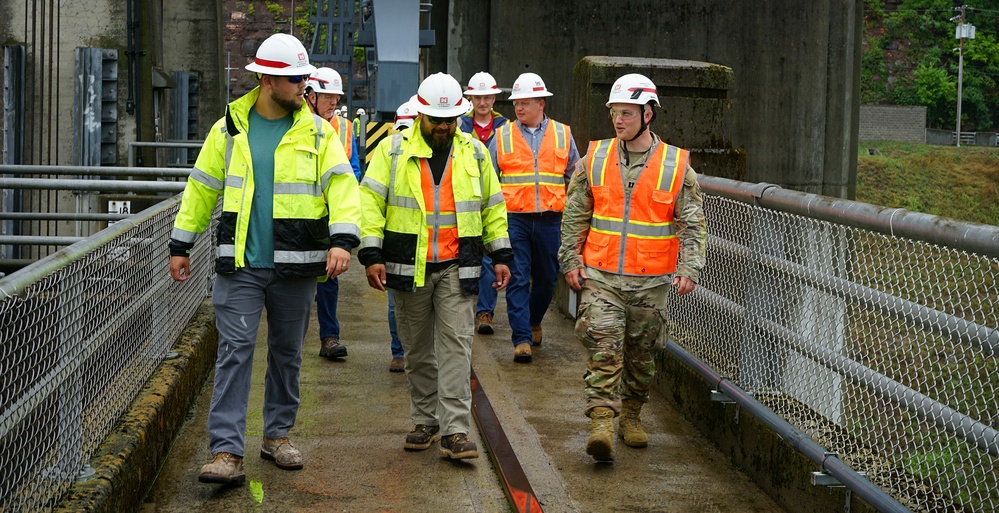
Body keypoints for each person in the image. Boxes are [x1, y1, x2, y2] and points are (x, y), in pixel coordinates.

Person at [168, 33, 360, 484]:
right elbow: (201, 188)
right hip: (242, 263)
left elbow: (342, 187)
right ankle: (226, 451)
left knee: (287, 353)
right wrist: (181, 244)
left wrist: (342, 240)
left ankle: (277, 436)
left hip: (297, 264)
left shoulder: (317, 131)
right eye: (296, 80)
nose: (304, 87)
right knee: (234, 352)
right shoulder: (229, 129)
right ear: (270, 80)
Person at [359, 72, 512, 460]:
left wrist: (501, 255)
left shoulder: (475, 153)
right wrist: (372, 254)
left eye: (450, 120)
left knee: (457, 348)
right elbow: (370, 206)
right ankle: (426, 420)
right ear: (421, 115)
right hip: (409, 267)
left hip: (457, 266)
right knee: (417, 351)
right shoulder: (393, 152)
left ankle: (455, 431)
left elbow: (492, 206)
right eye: (436, 120)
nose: (444, 127)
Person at [558, 73, 706, 462]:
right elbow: (575, 213)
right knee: (603, 347)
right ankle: (602, 424)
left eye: (626, 113)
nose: (618, 120)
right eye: (614, 113)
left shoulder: (675, 165)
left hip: (651, 282)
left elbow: (692, 223)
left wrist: (688, 268)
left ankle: (632, 416)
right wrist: (570, 259)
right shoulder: (595, 158)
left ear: (648, 114)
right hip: (601, 276)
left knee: (642, 356)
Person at [489, 72, 579, 363]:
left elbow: (576, 179)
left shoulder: (563, 133)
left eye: (525, 103)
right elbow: (488, 181)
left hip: (551, 219)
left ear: (541, 103)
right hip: (514, 219)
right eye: (516, 103)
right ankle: (522, 339)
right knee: (516, 278)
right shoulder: (502, 136)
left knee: (546, 278)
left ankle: (533, 320)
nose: (519, 108)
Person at [306, 67, 362, 361]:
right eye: (327, 95)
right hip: (302, 215)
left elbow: (353, 171)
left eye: (336, 96)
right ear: (311, 95)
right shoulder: (296, 124)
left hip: (331, 216)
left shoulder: (345, 128)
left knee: (328, 276)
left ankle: (329, 337)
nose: (333, 101)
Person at [458, 71, 510, 336]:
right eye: (478, 97)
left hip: (492, 198)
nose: (483, 102)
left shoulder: (506, 128)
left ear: (494, 98)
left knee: (490, 257)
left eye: (488, 96)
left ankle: (485, 313)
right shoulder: (458, 125)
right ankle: (463, 308)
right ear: (470, 98)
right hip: (463, 198)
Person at [386, 97, 419, 373]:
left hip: (422, 244)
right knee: (395, 303)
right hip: (396, 242)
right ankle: (398, 351)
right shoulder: (389, 157)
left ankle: (413, 352)